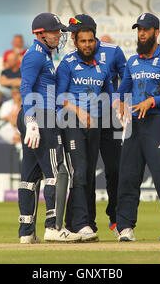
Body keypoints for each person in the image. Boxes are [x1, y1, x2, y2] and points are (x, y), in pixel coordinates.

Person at [113, 13, 160, 242]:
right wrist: (119, 103)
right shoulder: (133, 61)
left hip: (156, 120)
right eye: (139, 30)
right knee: (128, 174)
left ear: (156, 32)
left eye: (146, 29)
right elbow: (123, 89)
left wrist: (153, 101)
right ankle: (125, 226)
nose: (142, 33)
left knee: (159, 172)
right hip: (134, 123)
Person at [17, 12, 81, 244]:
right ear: (41, 34)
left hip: (37, 116)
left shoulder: (44, 55)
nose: (60, 35)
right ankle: (53, 227)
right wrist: (32, 120)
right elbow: (25, 88)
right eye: (55, 31)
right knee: (55, 171)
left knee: (30, 175)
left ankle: (26, 232)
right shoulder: (35, 56)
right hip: (40, 116)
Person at [65, 14, 126, 237]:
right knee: (85, 172)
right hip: (83, 121)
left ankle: (117, 220)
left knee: (115, 169)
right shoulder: (71, 58)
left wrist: (121, 101)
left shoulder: (113, 51)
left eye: (74, 32)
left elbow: (125, 78)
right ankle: (85, 221)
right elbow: (62, 93)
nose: (72, 37)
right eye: (76, 37)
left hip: (110, 120)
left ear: (91, 33)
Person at [57, 24, 114, 242]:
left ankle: (79, 222)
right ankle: (81, 224)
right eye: (83, 41)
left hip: (96, 125)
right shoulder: (68, 63)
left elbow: (109, 95)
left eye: (91, 41)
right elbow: (58, 96)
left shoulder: (102, 66)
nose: (87, 45)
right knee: (79, 170)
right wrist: (79, 111)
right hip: (72, 121)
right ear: (75, 42)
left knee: (88, 173)